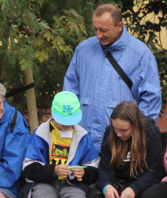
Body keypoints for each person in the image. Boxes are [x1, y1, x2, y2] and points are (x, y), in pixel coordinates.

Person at [63, 4, 161, 152]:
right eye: (95, 29)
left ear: (119, 26)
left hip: (120, 144)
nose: (98, 35)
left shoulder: (140, 54)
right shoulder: (83, 50)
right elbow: (70, 92)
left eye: (103, 30)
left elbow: (151, 100)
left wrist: (135, 135)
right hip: (83, 142)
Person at [76, 101, 166, 198]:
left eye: (124, 130)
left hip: (143, 183)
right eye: (115, 129)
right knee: (94, 193)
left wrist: (134, 188)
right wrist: (106, 186)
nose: (118, 134)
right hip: (119, 182)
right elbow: (104, 168)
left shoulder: (151, 132)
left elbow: (155, 171)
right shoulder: (111, 132)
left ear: (136, 126)